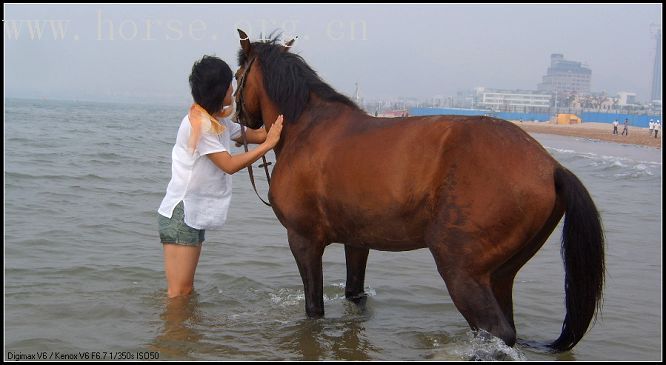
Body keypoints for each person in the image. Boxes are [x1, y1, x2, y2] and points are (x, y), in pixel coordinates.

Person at [157, 55, 284, 298]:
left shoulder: (217, 121)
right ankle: (174, 334)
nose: (232, 88)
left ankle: (179, 335)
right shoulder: (200, 125)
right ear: (219, 90)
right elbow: (229, 164)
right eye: (229, 84)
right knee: (180, 293)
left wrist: (283, 123)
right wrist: (268, 146)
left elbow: (255, 135)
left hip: (187, 214)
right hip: (181, 214)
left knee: (183, 292)